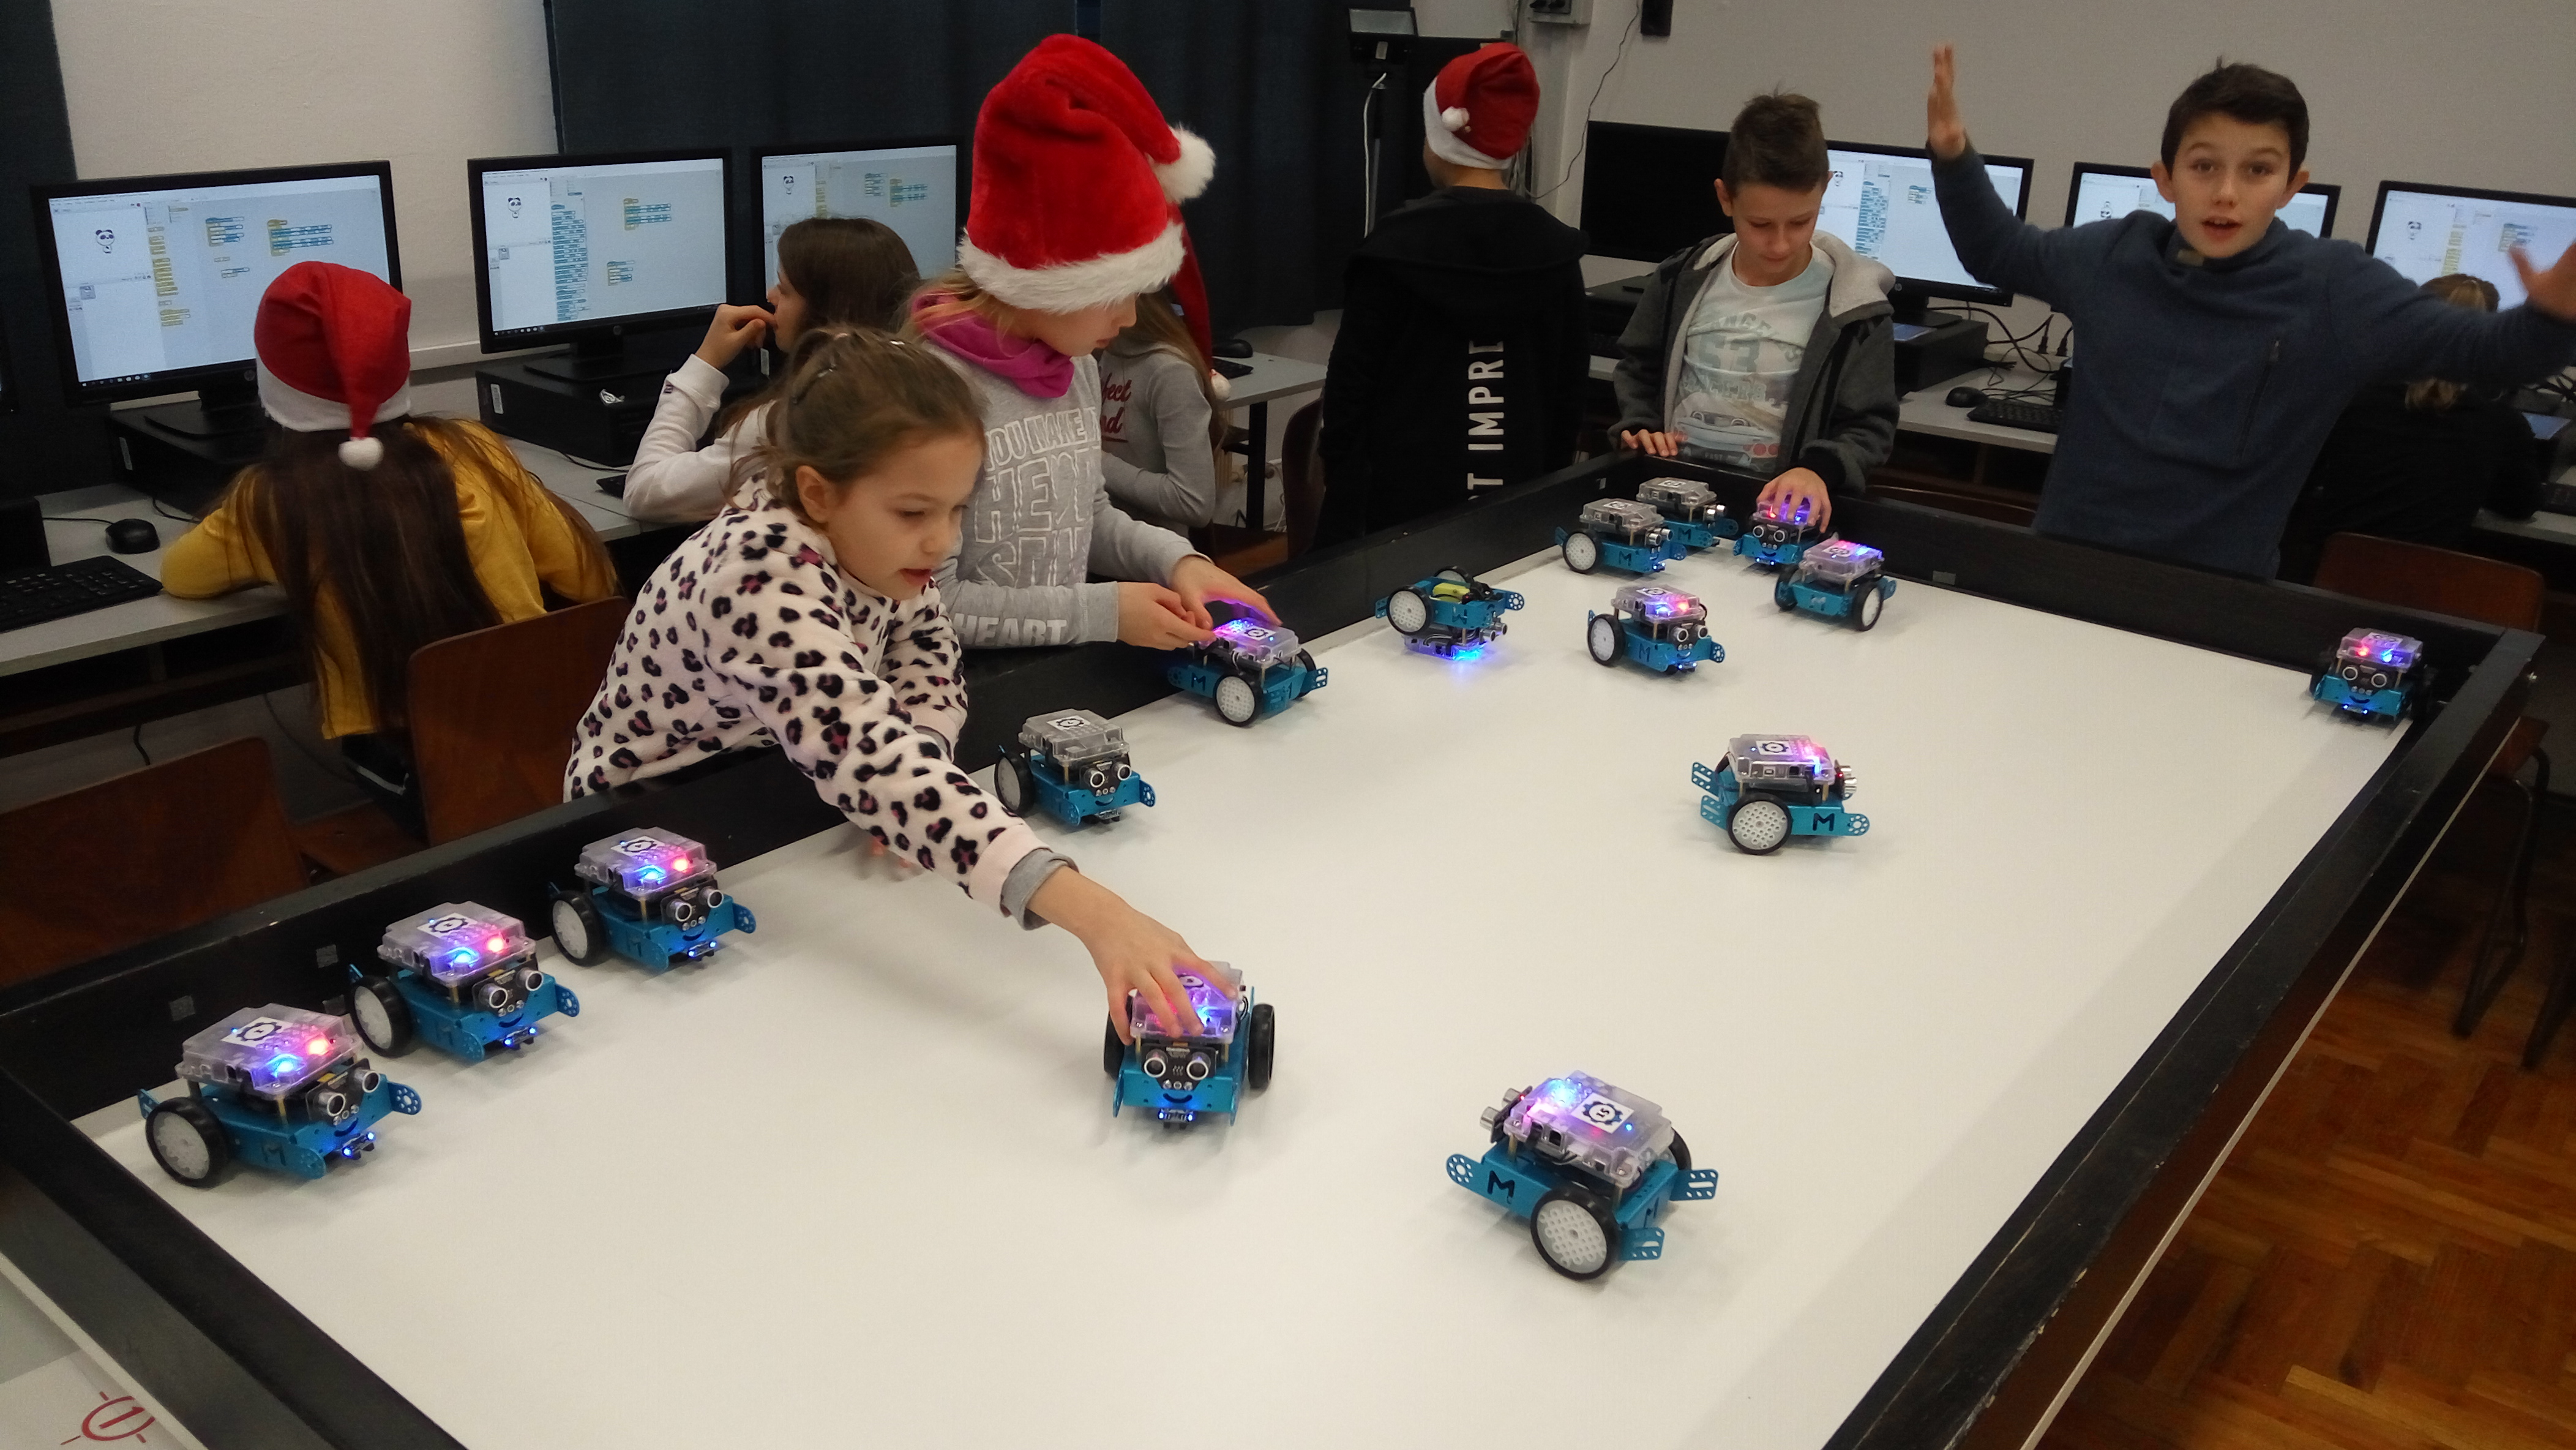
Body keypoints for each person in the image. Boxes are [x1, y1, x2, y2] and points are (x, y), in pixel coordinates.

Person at [567, 328, 1221, 1035]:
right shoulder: (755, 573)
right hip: (646, 826)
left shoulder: (873, 540)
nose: (942, 540)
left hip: (776, 796)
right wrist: (1100, 915)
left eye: (957, 508)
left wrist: (925, 751)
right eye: (914, 512)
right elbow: (867, 756)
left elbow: (926, 646)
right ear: (818, 493)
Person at [1925, 47, 2576, 576]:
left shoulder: (2334, 288)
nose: (2226, 194)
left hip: (2218, 601)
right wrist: (1953, 156)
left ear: (2292, 185)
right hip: (2064, 568)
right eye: (2203, 166)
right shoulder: (2112, 255)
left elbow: (2487, 353)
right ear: (2165, 177)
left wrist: (2551, 319)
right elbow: (1997, 251)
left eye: (2258, 171)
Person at [165, 261, 617, 835]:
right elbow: (588, 580)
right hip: (555, 739)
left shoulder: (270, 502)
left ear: (273, 385)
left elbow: (181, 575)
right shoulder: (474, 448)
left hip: (420, 780)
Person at [907, 36, 1269, 650]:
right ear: (1046, 279)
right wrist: (1102, 613)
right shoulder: (928, 393)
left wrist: (1175, 560)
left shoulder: (1074, 366)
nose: (1128, 318)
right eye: (1112, 293)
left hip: (1057, 671)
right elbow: (931, 604)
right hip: (956, 690)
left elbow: (1087, 516)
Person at [1315, 41, 1589, 547]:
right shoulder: (1557, 254)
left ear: (1439, 139)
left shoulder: (1393, 250)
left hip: (1396, 521)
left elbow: (1349, 393)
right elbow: (1569, 397)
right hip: (1514, 519)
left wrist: (1344, 497)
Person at [1611, 91, 1898, 533]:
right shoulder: (1680, 279)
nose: (1780, 244)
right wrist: (1641, 425)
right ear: (1725, 198)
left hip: (1778, 516)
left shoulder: (1857, 308)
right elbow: (1639, 366)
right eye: (1760, 224)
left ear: (1826, 186)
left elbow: (1870, 425)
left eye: (1800, 222)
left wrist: (1818, 470)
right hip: (1673, 502)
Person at [621, 217, 921, 523]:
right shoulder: (922, 394)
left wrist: (705, 362)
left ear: (831, 312)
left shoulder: (794, 419)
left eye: (784, 289)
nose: (770, 296)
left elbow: (645, 492)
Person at [2276, 274, 2549, 580]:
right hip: (2422, 594)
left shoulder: (2352, 400)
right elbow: (2522, 504)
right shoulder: (2500, 422)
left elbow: (2296, 482)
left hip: (2329, 582)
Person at [1099, 287, 1232, 535]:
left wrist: (1099, 463)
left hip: (1153, 545)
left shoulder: (1169, 371)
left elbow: (1193, 502)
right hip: (1105, 533)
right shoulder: (1110, 352)